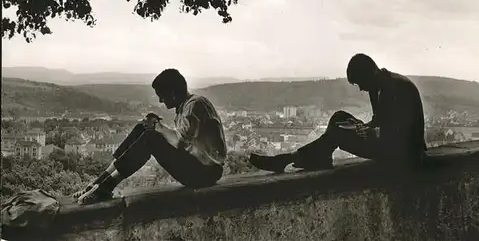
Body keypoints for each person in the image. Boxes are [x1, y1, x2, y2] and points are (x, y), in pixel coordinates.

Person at [250, 53, 427, 173]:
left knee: (338, 132)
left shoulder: (395, 88)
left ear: (370, 74)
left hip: (403, 154)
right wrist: (366, 127)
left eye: (360, 83)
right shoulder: (379, 85)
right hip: (391, 144)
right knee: (339, 117)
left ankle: (288, 159)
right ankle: (318, 157)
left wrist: (371, 132)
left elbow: (401, 132)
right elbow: (381, 121)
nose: (361, 89)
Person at [73, 68, 227, 205]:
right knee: (143, 128)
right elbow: (185, 142)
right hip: (200, 169)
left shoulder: (195, 105)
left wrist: (158, 127)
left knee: (150, 138)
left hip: (205, 173)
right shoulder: (188, 106)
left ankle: (105, 188)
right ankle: (97, 183)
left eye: (161, 95)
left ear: (172, 93)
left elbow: (180, 142)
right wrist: (155, 125)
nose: (160, 100)